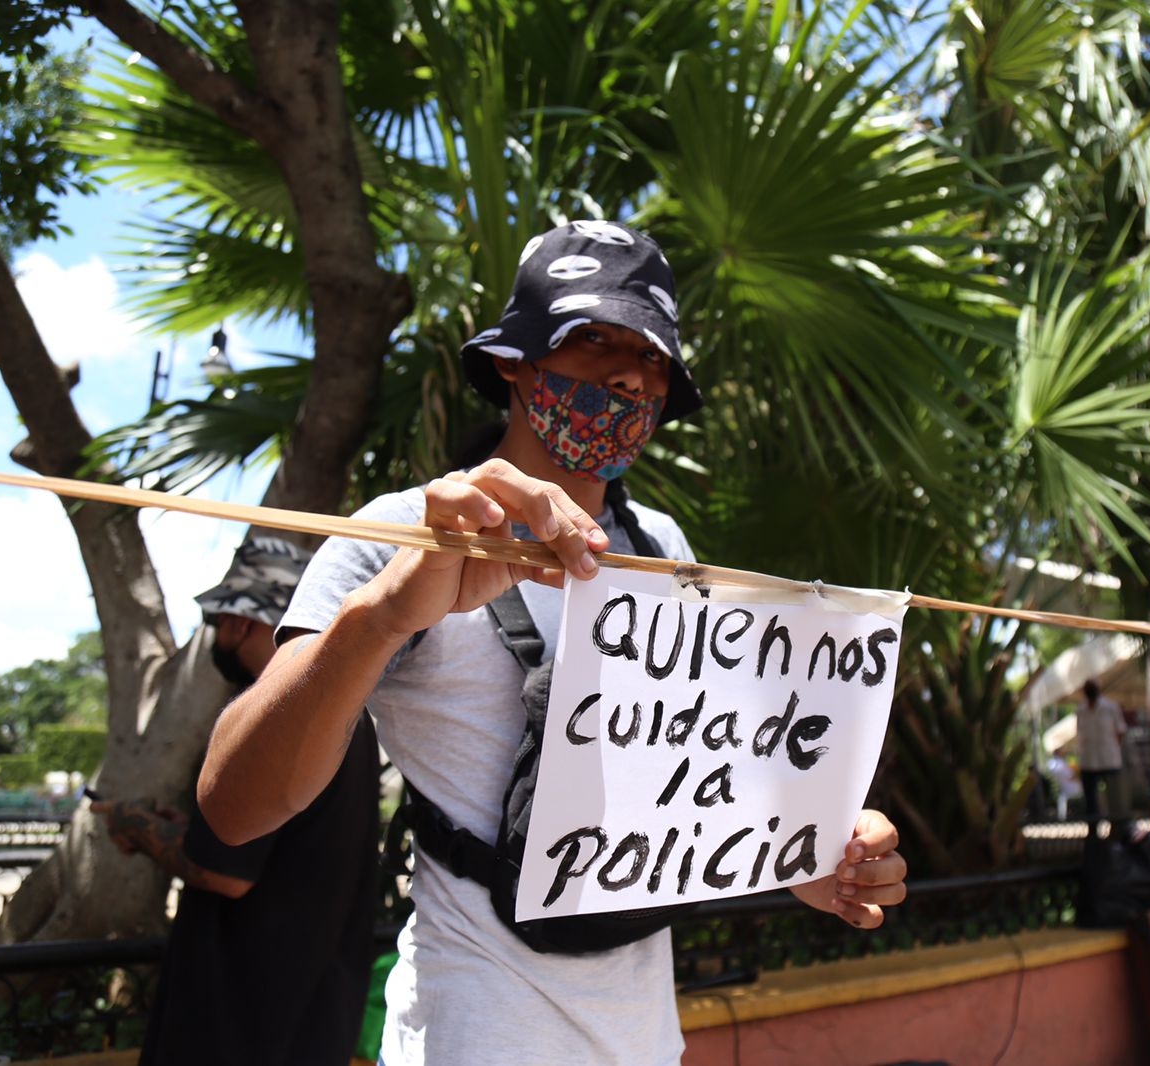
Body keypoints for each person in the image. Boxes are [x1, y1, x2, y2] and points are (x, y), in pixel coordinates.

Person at [195, 221, 910, 1065]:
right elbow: (231, 807)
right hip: (471, 1036)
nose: (628, 372)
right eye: (592, 336)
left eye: (652, 356)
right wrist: (383, 614)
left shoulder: (661, 547)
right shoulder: (399, 535)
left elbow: (691, 790)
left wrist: (808, 858)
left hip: (645, 1041)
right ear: (514, 361)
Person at [94, 538, 380, 1066]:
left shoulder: (266, 716)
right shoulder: (347, 715)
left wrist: (134, 824)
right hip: (311, 1017)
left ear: (240, 623)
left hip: (237, 1024)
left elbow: (226, 873)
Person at [1075, 679, 1126, 819]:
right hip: (1089, 761)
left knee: (1115, 799)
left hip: (1109, 759)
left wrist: (1112, 747)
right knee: (1091, 802)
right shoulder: (1081, 710)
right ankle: (1093, 835)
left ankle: (1117, 830)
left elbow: (1120, 730)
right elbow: (1080, 732)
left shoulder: (1110, 707)